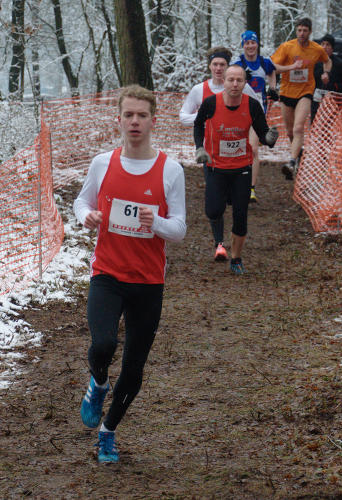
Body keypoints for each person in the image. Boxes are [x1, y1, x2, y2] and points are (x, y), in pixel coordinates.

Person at [73, 85, 186, 463]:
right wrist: (85, 216)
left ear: (154, 120)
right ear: (118, 119)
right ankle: (98, 383)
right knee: (102, 345)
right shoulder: (103, 163)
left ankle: (108, 432)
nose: (135, 121)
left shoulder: (171, 170)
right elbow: (82, 201)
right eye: (128, 115)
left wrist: (158, 224)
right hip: (107, 273)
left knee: (135, 367)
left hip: (148, 282)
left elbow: (181, 228)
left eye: (142, 115)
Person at [194, 65, 278, 274]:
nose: (234, 84)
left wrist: (269, 139)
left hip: (241, 168)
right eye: (231, 79)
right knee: (213, 210)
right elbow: (198, 125)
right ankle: (219, 240)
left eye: (239, 80)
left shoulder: (252, 105)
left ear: (244, 83)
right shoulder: (211, 103)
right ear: (224, 81)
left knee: (241, 216)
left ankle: (236, 258)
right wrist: (199, 148)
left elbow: (263, 132)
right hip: (215, 166)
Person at [271, 17, 332, 180]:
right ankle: (298, 155)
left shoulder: (316, 49)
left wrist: (326, 73)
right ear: (296, 31)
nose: (302, 33)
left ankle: (291, 162)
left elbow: (327, 61)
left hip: (305, 92)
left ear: (310, 32)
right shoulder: (287, 47)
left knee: (298, 129)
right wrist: (291, 67)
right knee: (290, 132)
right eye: (299, 30)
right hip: (286, 93)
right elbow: (273, 68)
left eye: (305, 30)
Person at [232, 30, 278, 203]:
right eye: (247, 43)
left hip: (257, 112)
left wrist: (272, 88)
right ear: (243, 45)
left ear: (257, 44)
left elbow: (272, 72)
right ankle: (233, 183)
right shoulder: (238, 63)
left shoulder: (264, 62)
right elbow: (229, 79)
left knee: (253, 148)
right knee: (235, 147)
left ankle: (250, 189)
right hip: (237, 110)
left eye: (253, 42)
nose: (250, 46)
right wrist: (241, 77)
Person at [179, 46, 258, 127]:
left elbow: (259, 112)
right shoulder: (199, 89)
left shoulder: (242, 86)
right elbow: (183, 118)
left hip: (239, 137)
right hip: (208, 139)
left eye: (222, 64)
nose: (218, 68)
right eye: (215, 64)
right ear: (209, 66)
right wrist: (205, 116)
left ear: (228, 66)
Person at [311, 34, 342, 122]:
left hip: (333, 101)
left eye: (327, 45)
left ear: (332, 48)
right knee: (314, 125)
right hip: (315, 101)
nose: (324, 47)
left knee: (327, 128)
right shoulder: (315, 62)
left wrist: (334, 86)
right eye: (323, 44)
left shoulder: (339, 63)